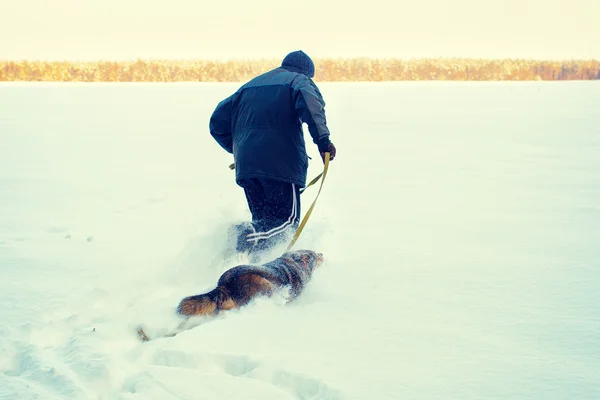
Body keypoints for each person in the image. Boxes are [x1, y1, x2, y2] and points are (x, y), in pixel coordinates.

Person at [209, 50, 336, 260]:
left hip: (248, 168)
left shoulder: (249, 86)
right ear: (306, 72)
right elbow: (312, 108)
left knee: (264, 222)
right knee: (286, 224)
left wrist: (242, 149)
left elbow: (217, 122)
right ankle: (241, 237)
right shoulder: (299, 80)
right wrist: (323, 143)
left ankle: (257, 266)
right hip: (281, 166)